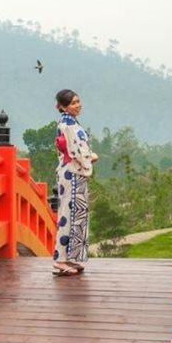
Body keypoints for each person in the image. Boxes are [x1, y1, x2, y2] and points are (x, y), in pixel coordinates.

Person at [52, 89, 98, 276]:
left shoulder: (68, 123)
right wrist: (90, 158)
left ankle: (71, 257)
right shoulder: (68, 125)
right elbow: (76, 152)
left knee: (76, 214)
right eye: (73, 103)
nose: (78, 105)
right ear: (63, 107)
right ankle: (61, 260)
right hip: (72, 172)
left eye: (78, 101)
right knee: (68, 214)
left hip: (72, 172)